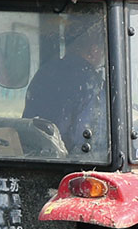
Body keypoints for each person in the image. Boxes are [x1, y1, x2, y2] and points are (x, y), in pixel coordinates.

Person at [23, 19, 106, 152]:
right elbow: (91, 138)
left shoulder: (44, 73)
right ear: (94, 50)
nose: (102, 58)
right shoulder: (92, 83)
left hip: (34, 152)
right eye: (103, 52)